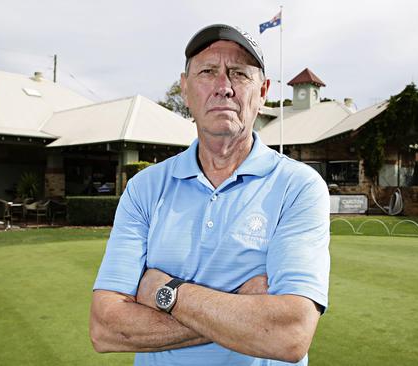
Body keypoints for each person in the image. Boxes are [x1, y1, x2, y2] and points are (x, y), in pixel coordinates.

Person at [90, 24, 330, 365]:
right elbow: (106, 328)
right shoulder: (145, 188)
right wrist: (241, 309)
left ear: (262, 92)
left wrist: (164, 292)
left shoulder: (299, 186)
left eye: (238, 74)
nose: (224, 87)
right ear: (185, 89)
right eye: (207, 72)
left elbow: (289, 335)